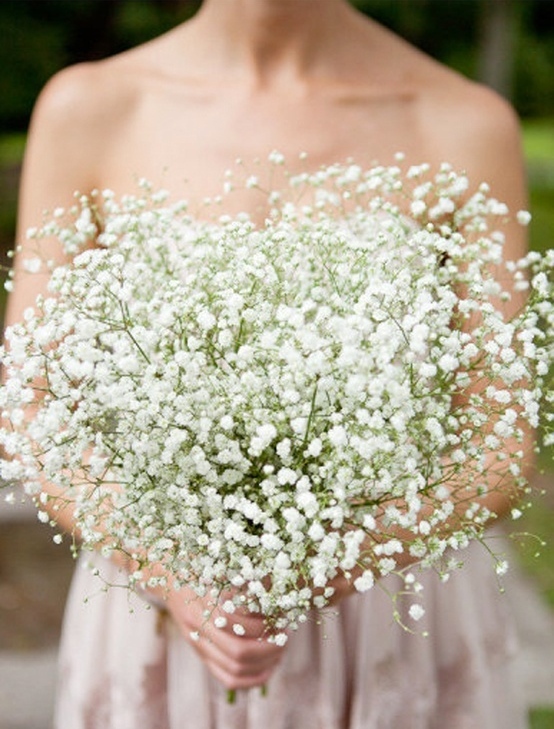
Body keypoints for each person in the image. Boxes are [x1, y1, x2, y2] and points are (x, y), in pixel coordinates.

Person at [6, 1, 532, 727]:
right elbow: (29, 407)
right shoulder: (91, 108)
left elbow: (500, 439)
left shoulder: (461, 122)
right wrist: (172, 574)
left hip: (390, 619)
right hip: (159, 623)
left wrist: (336, 565)